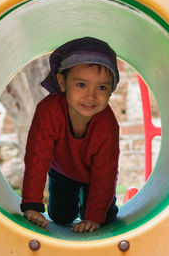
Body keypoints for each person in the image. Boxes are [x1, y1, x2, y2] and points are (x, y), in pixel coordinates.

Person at [20, 36, 120, 233]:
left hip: (95, 174)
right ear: (62, 82)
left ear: (111, 91)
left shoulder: (107, 124)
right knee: (61, 215)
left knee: (103, 217)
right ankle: (75, 205)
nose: (91, 96)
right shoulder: (49, 111)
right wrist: (32, 204)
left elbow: (106, 173)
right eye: (81, 85)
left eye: (101, 87)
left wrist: (93, 217)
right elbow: (37, 157)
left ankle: (91, 207)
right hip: (62, 170)